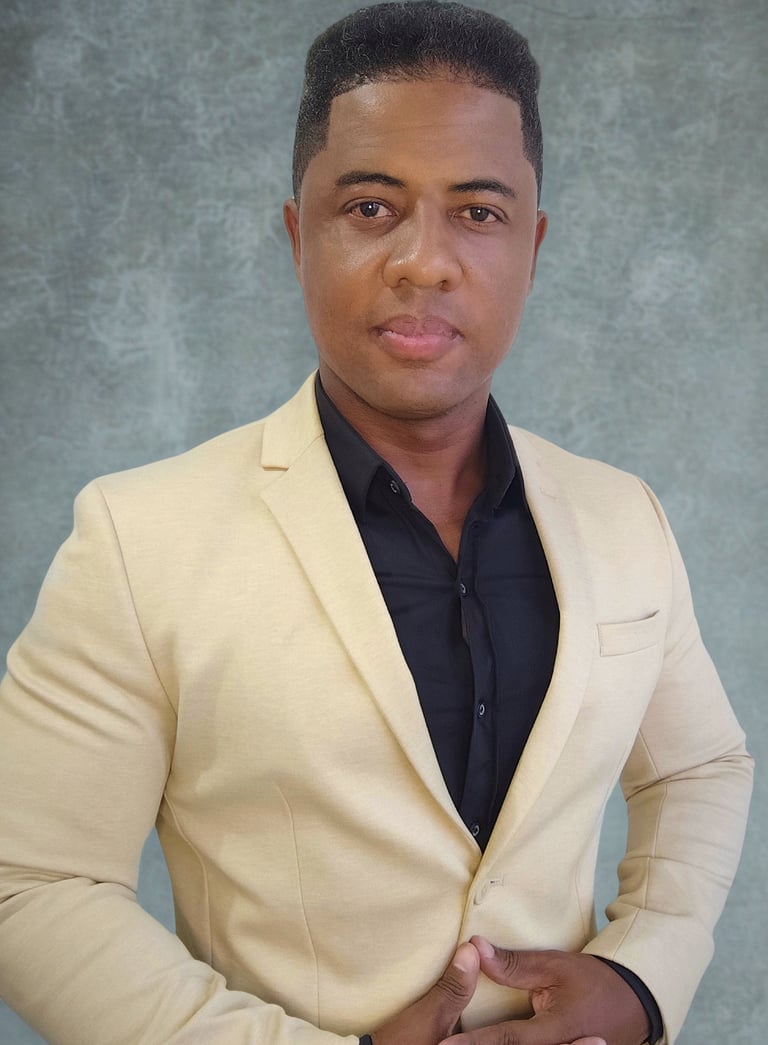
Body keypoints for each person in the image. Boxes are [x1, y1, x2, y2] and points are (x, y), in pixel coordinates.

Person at [0, 3, 753, 1044]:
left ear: (532, 247)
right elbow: (34, 884)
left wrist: (645, 976)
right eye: (369, 207)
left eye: (478, 212)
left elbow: (697, 767)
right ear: (296, 234)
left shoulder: (624, 515)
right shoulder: (138, 539)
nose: (424, 262)